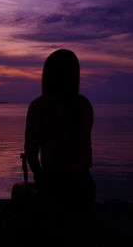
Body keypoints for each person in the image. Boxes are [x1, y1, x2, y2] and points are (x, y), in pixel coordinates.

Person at [24, 49, 96, 214]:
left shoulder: (40, 106)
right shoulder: (85, 104)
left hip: (55, 185)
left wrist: (40, 178)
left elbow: (31, 152)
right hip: (85, 185)